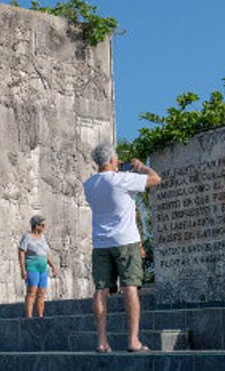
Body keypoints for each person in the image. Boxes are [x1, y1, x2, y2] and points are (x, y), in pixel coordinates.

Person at [83, 143, 161, 353]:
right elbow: (156, 179)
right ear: (111, 160)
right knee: (130, 287)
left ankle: (101, 341)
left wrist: (116, 169)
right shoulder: (122, 180)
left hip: (101, 243)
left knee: (100, 290)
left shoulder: (89, 184)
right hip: (126, 242)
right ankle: (133, 341)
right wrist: (141, 166)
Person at [18, 215, 58, 318]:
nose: (44, 227)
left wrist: (52, 266)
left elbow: (45, 253)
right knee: (32, 291)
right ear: (36, 225)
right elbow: (22, 252)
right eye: (43, 225)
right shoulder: (27, 237)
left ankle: (40, 315)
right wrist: (23, 269)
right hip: (32, 266)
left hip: (43, 267)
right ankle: (29, 316)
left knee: (42, 293)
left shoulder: (43, 237)